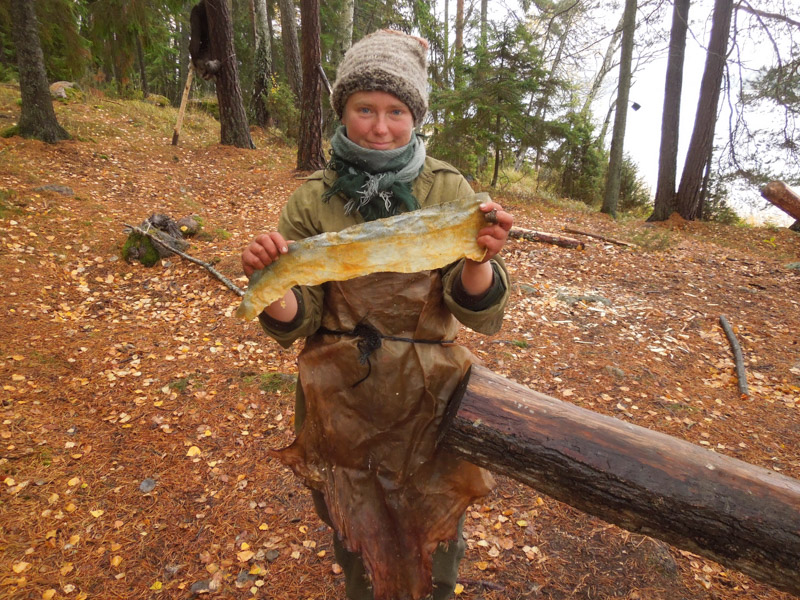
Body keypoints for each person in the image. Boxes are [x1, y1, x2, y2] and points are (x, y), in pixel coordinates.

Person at [241, 29, 513, 600]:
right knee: (357, 532)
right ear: (343, 111)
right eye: (365, 109)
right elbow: (299, 315)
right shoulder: (314, 197)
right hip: (341, 392)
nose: (381, 127)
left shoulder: (446, 188)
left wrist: (480, 260)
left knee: (434, 531)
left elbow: (474, 307)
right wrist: (272, 280)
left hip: (429, 393)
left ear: (415, 116)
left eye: (396, 111)